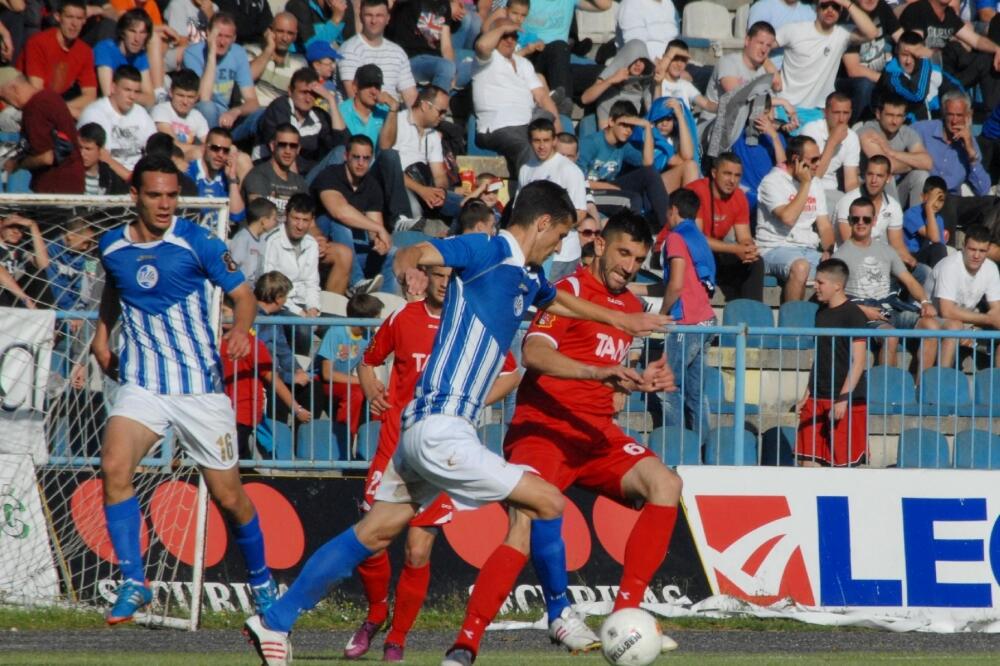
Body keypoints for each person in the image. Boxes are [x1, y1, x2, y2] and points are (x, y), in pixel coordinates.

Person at [241, 180, 668, 666]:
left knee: (377, 531)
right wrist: (411, 260)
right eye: (558, 238)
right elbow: (422, 251)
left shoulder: (526, 276)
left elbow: (558, 301)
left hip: (423, 429)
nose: (557, 250)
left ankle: (274, 621)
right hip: (443, 427)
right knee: (548, 502)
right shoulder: (488, 249)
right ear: (544, 224)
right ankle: (558, 616)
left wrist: (627, 324)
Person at [91, 155, 278, 625]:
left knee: (230, 497)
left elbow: (243, 295)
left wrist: (240, 329)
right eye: (154, 195)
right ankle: (135, 581)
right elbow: (115, 288)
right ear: (134, 196)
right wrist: (101, 335)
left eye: (172, 196)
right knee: (113, 465)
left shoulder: (196, 240)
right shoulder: (111, 245)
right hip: (144, 384)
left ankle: (261, 581)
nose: (164, 204)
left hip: (199, 389)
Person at [501, 209, 677, 654]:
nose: (629, 266)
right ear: (599, 244)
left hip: (596, 433)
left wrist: (640, 380)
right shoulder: (569, 291)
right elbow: (534, 353)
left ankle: (627, 618)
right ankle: (559, 614)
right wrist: (599, 373)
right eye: (623, 253)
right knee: (535, 510)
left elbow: (612, 381)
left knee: (666, 484)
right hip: (545, 427)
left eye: (638, 260)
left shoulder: (633, 307)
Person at [349, 264, 520, 662]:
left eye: (451, 276)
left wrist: (472, 402)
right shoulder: (402, 317)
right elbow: (367, 360)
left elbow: (511, 373)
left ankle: (398, 638)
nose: (444, 282)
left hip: (441, 455)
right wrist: (372, 386)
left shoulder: (472, 323)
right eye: (437, 275)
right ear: (424, 276)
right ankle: (375, 614)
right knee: (371, 544)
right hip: (393, 448)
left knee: (417, 552)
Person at [834, 196, 941, 371]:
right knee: (890, 335)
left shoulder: (886, 250)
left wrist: (925, 301)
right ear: (849, 221)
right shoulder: (839, 257)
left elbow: (908, 280)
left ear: (874, 221)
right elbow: (835, 298)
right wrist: (863, 311)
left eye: (866, 219)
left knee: (933, 327)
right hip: (862, 313)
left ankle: (919, 389)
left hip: (892, 309)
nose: (861, 223)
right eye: (856, 219)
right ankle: (887, 394)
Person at [795, 258, 868, 466]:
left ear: (837, 285)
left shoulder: (854, 315)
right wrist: (806, 396)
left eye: (820, 282)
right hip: (818, 396)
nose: (814, 286)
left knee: (842, 465)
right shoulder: (821, 312)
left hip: (844, 399)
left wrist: (844, 398)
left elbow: (859, 361)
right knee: (807, 461)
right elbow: (820, 356)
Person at [471, 17, 562, 179]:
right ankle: (531, 196)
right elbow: (482, 45)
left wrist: (558, 130)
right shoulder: (486, 59)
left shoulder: (523, 63)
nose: (510, 40)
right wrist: (502, 28)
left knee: (562, 145)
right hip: (499, 125)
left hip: (529, 121)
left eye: (514, 36)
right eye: (505, 35)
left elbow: (541, 96)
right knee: (529, 147)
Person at [220, 294, 305, 460]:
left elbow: (273, 378)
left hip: (243, 410)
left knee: (231, 457)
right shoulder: (213, 342)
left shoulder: (252, 344)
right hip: (220, 410)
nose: (221, 316)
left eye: (224, 311)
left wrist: (296, 408)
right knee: (235, 458)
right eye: (219, 312)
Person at [659, 189, 716, 437]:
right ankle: (701, 449)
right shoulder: (699, 237)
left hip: (686, 323)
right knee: (696, 391)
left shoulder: (675, 237)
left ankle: (678, 446)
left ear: (673, 210)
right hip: (706, 321)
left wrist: (661, 313)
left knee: (666, 386)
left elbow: (677, 284)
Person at [756, 135, 835, 302]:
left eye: (819, 159)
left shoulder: (816, 183)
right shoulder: (772, 182)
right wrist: (805, 184)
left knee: (840, 269)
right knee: (800, 267)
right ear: (796, 160)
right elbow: (788, 218)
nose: (818, 164)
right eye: (813, 160)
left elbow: (825, 227)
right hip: (774, 248)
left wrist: (828, 251)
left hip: (809, 249)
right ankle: (792, 326)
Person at [913, 91, 1000, 242]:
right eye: (950, 115)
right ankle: (946, 251)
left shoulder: (969, 142)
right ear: (943, 114)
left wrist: (971, 153)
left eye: (959, 115)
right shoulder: (921, 130)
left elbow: (984, 189)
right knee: (946, 199)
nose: (954, 121)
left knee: (994, 203)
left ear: (967, 116)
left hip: (956, 202)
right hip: (927, 198)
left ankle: (986, 248)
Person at [313, 134, 394, 295]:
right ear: (346, 156)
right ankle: (356, 283)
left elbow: (374, 229)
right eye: (356, 157)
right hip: (323, 242)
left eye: (366, 158)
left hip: (354, 246)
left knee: (392, 253)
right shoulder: (330, 175)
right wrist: (379, 229)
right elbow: (339, 211)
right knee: (340, 222)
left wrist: (379, 241)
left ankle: (384, 304)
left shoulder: (372, 185)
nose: (361, 163)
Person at [578, 100, 670, 232]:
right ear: (611, 122)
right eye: (624, 125)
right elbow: (578, 181)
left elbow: (648, 163)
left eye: (631, 127)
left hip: (610, 188)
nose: (628, 131)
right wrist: (609, 187)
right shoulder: (591, 143)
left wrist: (647, 128)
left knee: (649, 173)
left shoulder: (624, 146)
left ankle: (667, 228)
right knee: (632, 199)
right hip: (588, 193)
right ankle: (635, 238)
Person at [518, 117, 589, 280]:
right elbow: (520, 210)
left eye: (546, 140)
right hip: (532, 251)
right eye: (537, 140)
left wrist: (555, 234)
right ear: (530, 141)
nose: (541, 146)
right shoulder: (526, 169)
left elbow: (580, 212)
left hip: (561, 255)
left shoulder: (569, 170)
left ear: (554, 140)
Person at [686, 152, 764, 302]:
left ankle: (753, 317)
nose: (732, 180)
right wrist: (735, 249)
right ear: (714, 173)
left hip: (714, 253)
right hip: (685, 251)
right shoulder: (696, 192)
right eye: (727, 174)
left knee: (755, 262)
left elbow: (745, 236)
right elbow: (696, 239)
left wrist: (747, 249)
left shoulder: (740, 196)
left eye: (737, 175)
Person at [775, 0, 877, 114]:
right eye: (825, 5)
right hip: (785, 106)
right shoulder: (794, 30)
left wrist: (847, 3)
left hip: (817, 112)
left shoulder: (842, 34)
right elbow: (757, 45)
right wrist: (772, 70)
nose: (830, 10)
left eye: (835, 6)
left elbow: (872, 33)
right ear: (816, 8)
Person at [900, 0, 1000, 112]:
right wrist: (942, 53)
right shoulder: (917, 10)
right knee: (953, 48)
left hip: (948, 76)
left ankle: (994, 114)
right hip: (926, 77)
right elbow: (916, 50)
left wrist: (997, 49)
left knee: (986, 59)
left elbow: (976, 41)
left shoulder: (948, 14)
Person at [0, 67, 84, 194]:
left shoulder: (34, 108)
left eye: (4, 97)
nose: (6, 103)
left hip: (55, 190)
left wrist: (17, 164)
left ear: (13, 89)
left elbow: (46, 157)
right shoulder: (50, 97)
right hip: (73, 185)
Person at [927, 225, 1000, 369]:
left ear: (988, 250)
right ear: (963, 246)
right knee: (954, 326)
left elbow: (996, 310)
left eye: (982, 251)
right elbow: (947, 311)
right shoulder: (950, 265)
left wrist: (994, 319)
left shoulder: (991, 268)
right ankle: (943, 381)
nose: (977, 256)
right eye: (972, 249)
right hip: (931, 317)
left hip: (966, 319)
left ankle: (997, 387)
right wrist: (987, 319)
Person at [316, 293, 383, 450]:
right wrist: (364, 382)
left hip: (346, 381)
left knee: (378, 392)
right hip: (320, 382)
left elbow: (365, 365)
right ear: (365, 319)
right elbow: (327, 374)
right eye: (376, 317)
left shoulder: (369, 335)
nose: (379, 321)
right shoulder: (336, 332)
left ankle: (373, 446)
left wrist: (373, 383)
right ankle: (344, 442)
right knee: (357, 392)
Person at [392, 85, 463, 221]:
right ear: (425, 105)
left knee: (467, 206)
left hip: (425, 187)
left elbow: (439, 175)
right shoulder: (398, 123)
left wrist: (440, 192)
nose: (443, 117)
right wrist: (421, 190)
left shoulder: (433, 135)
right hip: (400, 186)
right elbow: (390, 170)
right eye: (440, 111)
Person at [257, 66, 345, 174]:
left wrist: (331, 100)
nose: (308, 99)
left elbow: (341, 143)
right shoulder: (279, 108)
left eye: (313, 94)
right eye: (303, 92)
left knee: (341, 151)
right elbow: (282, 149)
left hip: (308, 175)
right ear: (290, 91)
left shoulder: (318, 116)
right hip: (271, 171)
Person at [182, 12, 260, 134]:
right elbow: (204, 98)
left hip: (227, 117)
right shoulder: (192, 53)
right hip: (200, 116)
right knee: (208, 108)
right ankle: (216, 144)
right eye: (218, 35)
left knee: (262, 114)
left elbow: (252, 101)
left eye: (227, 37)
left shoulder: (238, 53)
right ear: (208, 33)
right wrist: (211, 53)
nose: (222, 42)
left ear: (234, 38)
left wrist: (235, 112)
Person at [17, 0, 96, 119]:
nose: (74, 24)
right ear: (58, 17)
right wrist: (64, 110)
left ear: (84, 20)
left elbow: (90, 96)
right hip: (21, 103)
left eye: (79, 18)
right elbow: (37, 91)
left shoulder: (85, 51)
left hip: (54, 105)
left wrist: (62, 109)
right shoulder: (38, 42)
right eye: (69, 17)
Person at [857, 93, 933, 208]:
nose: (895, 121)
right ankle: (896, 222)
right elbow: (886, 167)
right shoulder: (867, 132)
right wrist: (913, 163)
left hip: (895, 191)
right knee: (887, 177)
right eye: (890, 115)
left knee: (921, 175)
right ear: (878, 114)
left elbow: (927, 163)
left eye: (899, 116)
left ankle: (915, 222)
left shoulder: (907, 132)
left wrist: (892, 152)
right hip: (867, 190)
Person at [77, 65, 156, 173]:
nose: (132, 96)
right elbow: (101, 156)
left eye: (136, 92)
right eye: (127, 90)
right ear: (113, 88)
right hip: (109, 176)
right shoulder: (95, 113)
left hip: (138, 175)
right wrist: (130, 178)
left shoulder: (141, 113)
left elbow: (154, 148)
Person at [338, 0, 418, 106]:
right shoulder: (349, 50)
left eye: (379, 15)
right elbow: (354, 99)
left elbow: (410, 96)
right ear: (361, 17)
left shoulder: (398, 53)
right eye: (368, 15)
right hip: (360, 118)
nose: (374, 21)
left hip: (392, 115)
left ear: (388, 18)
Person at [838, 0, 903, 122]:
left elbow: (902, 39)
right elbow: (853, 70)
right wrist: (887, 80)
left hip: (880, 71)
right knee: (865, 85)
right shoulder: (847, 17)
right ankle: (854, 124)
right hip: (850, 81)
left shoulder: (882, 7)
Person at [703, 21, 780, 123]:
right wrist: (782, 102)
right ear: (747, 40)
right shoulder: (728, 63)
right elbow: (739, 98)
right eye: (760, 43)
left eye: (768, 46)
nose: (764, 49)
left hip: (744, 125)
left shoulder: (763, 71)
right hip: (715, 123)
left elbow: (770, 105)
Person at [262, 191, 321, 320]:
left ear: (312, 220)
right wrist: (299, 312)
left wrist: (313, 308)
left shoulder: (312, 244)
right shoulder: (273, 241)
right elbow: (271, 287)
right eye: (296, 219)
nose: (300, 226)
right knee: (304, 331)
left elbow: (312, 283)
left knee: (337, 326)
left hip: (304, 305)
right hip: (280, 306)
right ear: (286, 216)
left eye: (305, 220)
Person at [801, 92, 860, 210]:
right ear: (825, 112)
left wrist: (858, 203)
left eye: (846, 113)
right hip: (807, 187)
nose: (842, 119)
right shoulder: (811, 130)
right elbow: (814, 176)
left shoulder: (852, 137)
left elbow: (851, 183)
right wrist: (832, 142)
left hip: (832, 190)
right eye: (836, 113)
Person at [833, 155, 904, 251]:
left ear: (888, 178)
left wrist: (912, 262)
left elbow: (897, 246)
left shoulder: (893, 206)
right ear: (864, 175)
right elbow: (850, 244)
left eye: (879, 176)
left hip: (877, 257)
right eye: (870, 174)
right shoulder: (847, 202)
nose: (873, 180)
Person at [579, 41, 654, 127]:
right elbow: (585, 99)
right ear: (626, 58)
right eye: (634, 60)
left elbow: (650, 108)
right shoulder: (613, 71)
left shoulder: (644, 80)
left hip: (629, 129)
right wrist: (611, 80)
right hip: (607, 128)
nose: (638, 64)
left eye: (642, 61)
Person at [243, 124, 309, 219]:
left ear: (298, 149)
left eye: (293, 146)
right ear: (272, 146)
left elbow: (310, 223)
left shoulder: (300, 182)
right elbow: (261, 220)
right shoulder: (258, 176)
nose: (288, 151)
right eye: (282, 145)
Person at [94, 9, 156, 107]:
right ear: (122, 32)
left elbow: (150, 99)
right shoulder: (105, 49)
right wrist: (135, 95)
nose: (137, 39)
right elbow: (108, 94)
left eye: (142, 33)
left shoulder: (140, 55)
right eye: (132, 31)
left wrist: (127, 94)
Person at [186, 126, 246, 226]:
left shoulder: (226, 178)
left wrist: (232, 179)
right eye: (215, 148)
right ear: (204, 147)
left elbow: (237, 216)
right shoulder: (190, 172)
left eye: (225, 151)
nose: (220, 155)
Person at [246, 13, 305, 109]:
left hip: (279, 116)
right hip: (252, 113)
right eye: (280, 32)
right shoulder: (252, 51)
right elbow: (246, 78)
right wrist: (269, 49)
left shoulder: (299, 64)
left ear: (295, 36)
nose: (285, 38)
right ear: (270, 31)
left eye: (290, 33)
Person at [151, 68, 210, 159]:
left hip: (187, 158)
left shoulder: (197, 116)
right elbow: (172, 145)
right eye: (180, 95)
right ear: (171, 93)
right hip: (166, 158)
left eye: (190, 97)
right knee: (198, 153)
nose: (185, 102)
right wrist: (204, 149)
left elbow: (210, 143)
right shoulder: (161, 110)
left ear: (197, 97)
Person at [901, 175, 949, 270]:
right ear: (923, 197)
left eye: (940, 200)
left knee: (941, 250)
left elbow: (940, 244)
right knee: (938, 248)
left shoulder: (939, 219)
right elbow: (934, 238)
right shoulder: (911, 214)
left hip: (928, 256)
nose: (936, 204)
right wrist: (928, 208)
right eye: (933, 199)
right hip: (910, 257)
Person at [229, 197, 279, 286]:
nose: (276, 222)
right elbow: (232, 268)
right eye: (274, 219)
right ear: (263, 221)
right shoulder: (242, 239)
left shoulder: (263, 239)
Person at [78, 122, 129, 195]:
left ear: (100, 150)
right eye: (79, 148)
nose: (82, 154)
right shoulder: (69, 172)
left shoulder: (110, 178)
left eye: (88, 149)